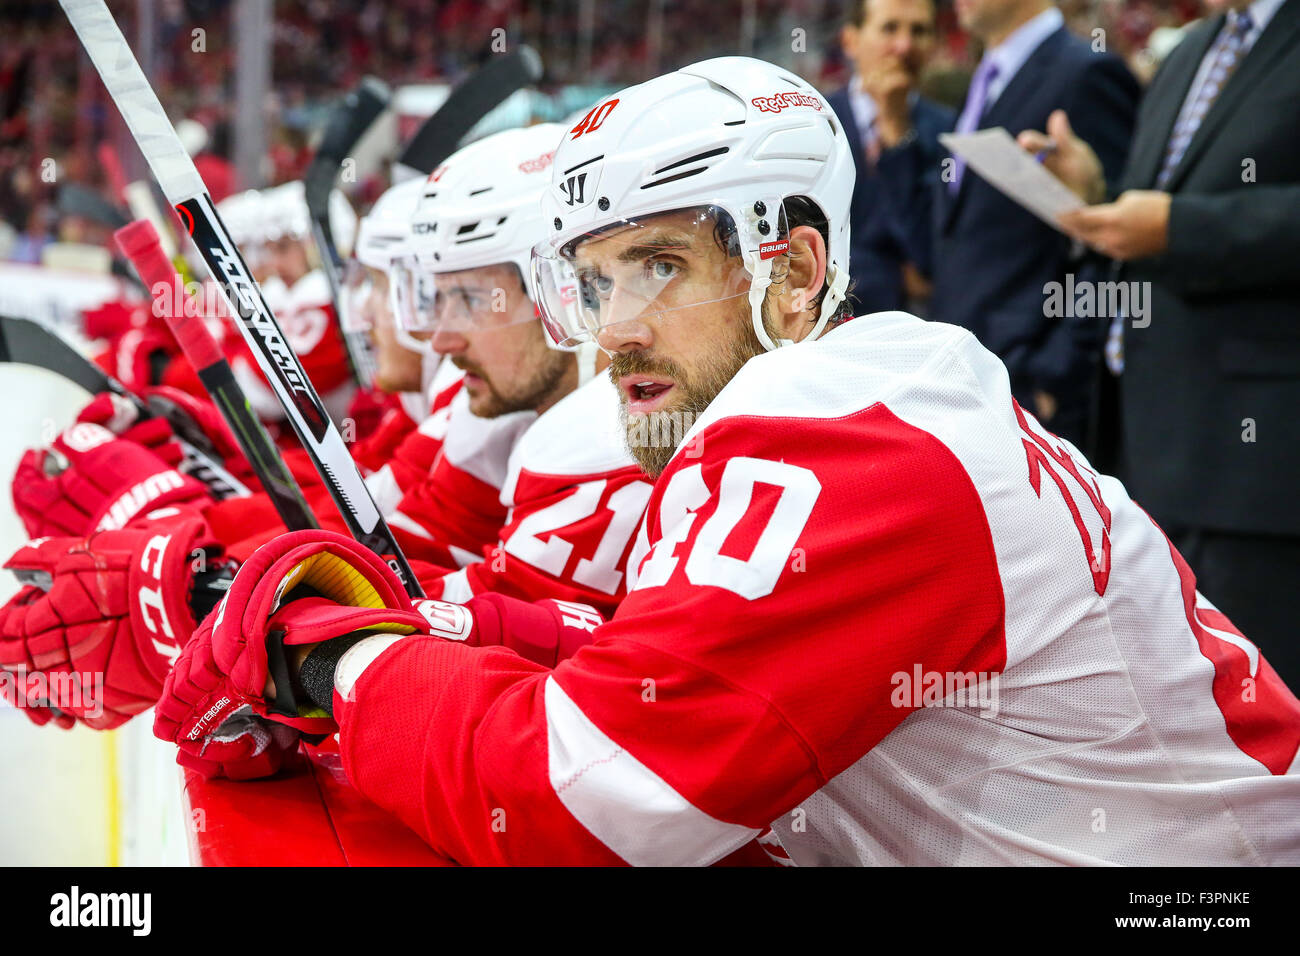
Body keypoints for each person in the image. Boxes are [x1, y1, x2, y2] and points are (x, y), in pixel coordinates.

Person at [150, 56, 1300, 866]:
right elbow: (637, 664)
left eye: (656, 265)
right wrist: (416, 634)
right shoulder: (866, 393)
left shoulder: (844, 430)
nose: (613, 328)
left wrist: (332, 668)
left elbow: (583, 799)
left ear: (794, 272)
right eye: (595, 282)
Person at [0, 123, 652, 747]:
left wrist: (221, 596)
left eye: (465, 296)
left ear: (556, 290)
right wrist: (216, 561)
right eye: (419, 291)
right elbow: (395, 537)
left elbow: (516, 653)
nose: (417, 327)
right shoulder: (505, 400)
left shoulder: (603, 429)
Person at [1017, 0, 1300, 686]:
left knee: (1262, 730)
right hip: (1147, 446)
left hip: (1250, 469)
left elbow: (1179, 221)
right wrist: (1096, 190)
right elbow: (1152, 209)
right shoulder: (1189, 52)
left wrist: (1180, 229)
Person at [878, 0, 1139, 447]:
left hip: (1032, 400)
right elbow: (940, 244)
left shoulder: (1087, 73)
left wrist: (1056, 377)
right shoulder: (985, 83)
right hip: (966, 383)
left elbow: (1116, 238)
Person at [827, 0, 953, 314]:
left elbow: (933, 257)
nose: (904, 46)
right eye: (889, 28)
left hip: (916, 332)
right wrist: (890, 277)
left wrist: (897, 131)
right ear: (850, 41)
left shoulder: (952, 132)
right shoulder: (816, 120)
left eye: (919, 30)